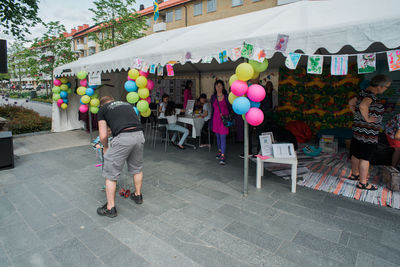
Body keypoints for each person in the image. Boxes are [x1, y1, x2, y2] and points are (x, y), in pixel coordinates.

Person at [96, 96, 145, 218]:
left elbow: (102, 136)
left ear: (102, 105)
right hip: (139, 135)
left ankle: (110, 208)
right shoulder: (127, 105)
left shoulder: (102, 109)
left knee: (110, 175)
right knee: (137, 168)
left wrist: (106, 147)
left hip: (123, 138)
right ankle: (138, 195)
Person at [348, 75, 391, 190]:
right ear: (380, 86)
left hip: (358, 130)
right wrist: (366, 119)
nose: (386, 89)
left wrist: (358, 116)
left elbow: (351, 103)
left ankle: (354, 174)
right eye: (386, 87)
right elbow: (363, 106)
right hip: (368, 134)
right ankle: (362, 183)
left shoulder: (362, 93)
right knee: (365, 158)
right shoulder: (371, 96)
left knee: (356, 154)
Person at [210, 80, 232, 165]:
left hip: (224, 120)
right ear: (215, 87)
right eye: (217, 86)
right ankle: (219, 151)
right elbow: (212, 109)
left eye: (220, 86)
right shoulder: (213, 97)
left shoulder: (227, 96)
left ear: (223, 87)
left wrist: (228, 116)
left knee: (223, 137)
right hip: (215, 120)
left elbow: (230, 108)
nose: (218, 87)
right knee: (218, 137)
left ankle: (223, 156)